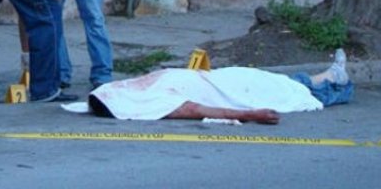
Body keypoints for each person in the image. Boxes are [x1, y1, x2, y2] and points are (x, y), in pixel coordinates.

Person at [86, 50, 354, 124]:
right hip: (227, 92)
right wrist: (250, 115)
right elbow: (196, 109)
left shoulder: (134, 88)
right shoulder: (152, 102)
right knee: (289, 93)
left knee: (274, 82)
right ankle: (333, 80)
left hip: (219, 79)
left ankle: (330, 76)